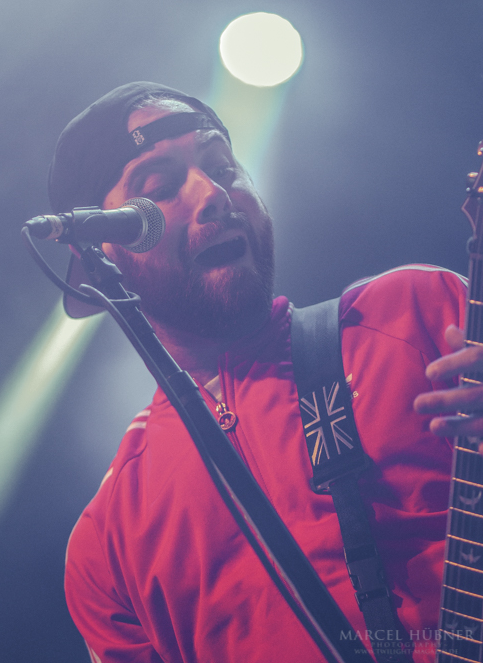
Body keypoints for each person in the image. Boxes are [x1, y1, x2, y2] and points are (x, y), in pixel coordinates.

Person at [47, 82, 483, 663]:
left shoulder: (415, 314)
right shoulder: (108, 544)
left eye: (222, 168)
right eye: (158, 189)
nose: (212, 194)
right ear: (102, 256)